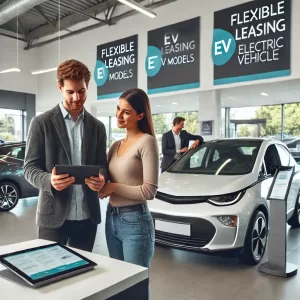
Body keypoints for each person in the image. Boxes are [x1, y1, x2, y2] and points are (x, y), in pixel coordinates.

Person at [24, 59, 108, 252]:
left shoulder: (97, 127)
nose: (76, 98)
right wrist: (49, 180)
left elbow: (101, 163)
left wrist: (102, 177)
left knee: (82, 274)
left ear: (88, 87)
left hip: (88, 217)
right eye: (70, 92)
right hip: (53, 217)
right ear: (60, 87)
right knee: (50, 276)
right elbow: (29, 168)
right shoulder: (41, 123)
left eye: (82, 91)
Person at [99, 88, 158, 296]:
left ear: (140, 116)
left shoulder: (146, 142)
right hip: (111, 219)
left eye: (126, 112)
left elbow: (149, 190)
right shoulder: (115, 145)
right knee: (118, 285)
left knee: (136, 289)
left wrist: (113, 188)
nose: (119, 115)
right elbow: (107, 180)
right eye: (118, 109)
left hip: (136, 222)